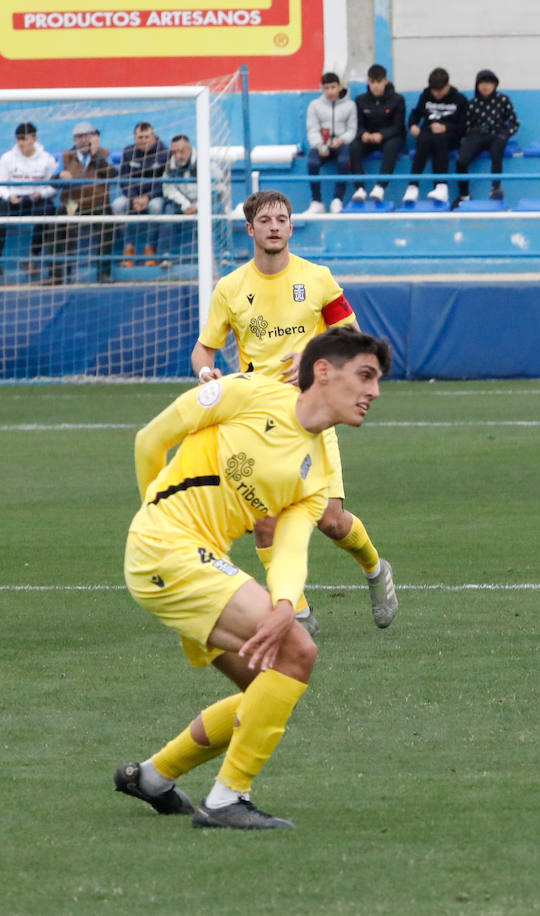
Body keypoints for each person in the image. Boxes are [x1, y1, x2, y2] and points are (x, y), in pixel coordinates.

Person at [116, 325, 392, 829]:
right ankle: (227, 799)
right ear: (324, 372)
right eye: (366, 376)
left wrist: (286, 603)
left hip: (196, 560)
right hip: (168, 548)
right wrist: (153, 516)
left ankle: (153, 776)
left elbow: (289, 549)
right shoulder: (250, 391)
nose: (374, 391)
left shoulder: (313, 475)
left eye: (378, 381)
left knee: (265, 687)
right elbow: (151, 438)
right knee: (299, 653)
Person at [190, 189, 399, 635]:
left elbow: (354, 336)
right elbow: (204, 350)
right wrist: (207, 373)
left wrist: (311, 347)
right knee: (265, 523)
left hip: (313, 415)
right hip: (255, 422)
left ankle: (375, 569)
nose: (275, 226)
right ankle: (300, 614)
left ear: (290, 226)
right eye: (265, 220)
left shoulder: (318, 278)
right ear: (250, 229)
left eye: (282, 219)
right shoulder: (230, 288)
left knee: (332, 521)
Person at [54, 122, 116, 284]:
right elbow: (52, 181)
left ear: (94, 138)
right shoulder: (66, 156)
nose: (83, 140)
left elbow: (112, 175)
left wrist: (96, 156)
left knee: (108, 223)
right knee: (57, 223)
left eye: (87, 136)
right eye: (79, 137)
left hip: (97, 203)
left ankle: (103, 272)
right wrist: (60, 176)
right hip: (73, 204)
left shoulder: (104, 154)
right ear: (74, 139)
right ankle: (57, 274)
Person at [0, 122, 59, 282]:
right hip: (13, 200)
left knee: (48, 212)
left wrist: (41, 193)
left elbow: (54, 186)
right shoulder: (7, 158)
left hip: (35, 199)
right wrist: (9, 196)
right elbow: (1, 185)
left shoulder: (47, 159)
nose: (20, 143)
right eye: (18, 139)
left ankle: (33, 257)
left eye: (24, 139)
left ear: (33, 138)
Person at [454, 69, 520, 204]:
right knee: (461, 161)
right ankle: (464, 195)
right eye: (482, 82)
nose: (485, 86)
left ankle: (495, 188)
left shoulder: (503, 100)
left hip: (497, 135)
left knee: (497, 152)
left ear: (495, 85)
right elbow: (465, 126)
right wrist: (470, 135)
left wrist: (505, 135)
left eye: (489, 83)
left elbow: (514, 122)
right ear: (477, 85)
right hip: (476, 136)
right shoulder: (472, 103)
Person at [404, 67, 467, 205]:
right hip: (428, 134)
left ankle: (441, 185)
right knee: (424, 138)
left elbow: (464, 127)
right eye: (434, 90)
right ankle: (413, 186)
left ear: (447, 86)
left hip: (450, 137)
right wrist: (413, 125)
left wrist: (446, 127)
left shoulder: (460, 99)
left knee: (440, 138)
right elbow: (416, 113)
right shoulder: (426, 95)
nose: (436, 94)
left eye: (440, 90)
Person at [349, 64, 408, 203]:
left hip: (391, 138)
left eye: (379, 82)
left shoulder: (397, 99)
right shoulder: (360, 100)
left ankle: (380, 187)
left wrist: (381, 135)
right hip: (369, 139)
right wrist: (363, 134)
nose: (375, 86)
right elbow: (357, 124)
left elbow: (398, 127)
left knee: (391, 146)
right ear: (368, 82)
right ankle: (360, 189)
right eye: (372, 82)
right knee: (355, 147)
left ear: (385, 81)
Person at [112, 121, 169, 265]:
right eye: (140, 137)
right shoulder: (128, 152)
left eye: (146, 137)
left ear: (153, 137)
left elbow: (165, 182)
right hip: (134, 197)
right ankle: (128, 248)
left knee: (156, 207)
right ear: (135, 138)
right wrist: (133, 198)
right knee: (117, 205)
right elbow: (124, 179)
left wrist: (148, 197)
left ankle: (150, 248)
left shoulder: (164, 153)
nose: (143, 140)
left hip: (155, 196)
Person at [305, 72, 356, 214]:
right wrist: (321, 145)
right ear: (322, 89)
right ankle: (317, 202)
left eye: (333, 87)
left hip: (341, 144)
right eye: (326, 88)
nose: (330, 91)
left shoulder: (350, 105)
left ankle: (337, 200)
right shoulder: (314, 105)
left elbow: (352, 130)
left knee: (344, 161)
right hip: (322, 145)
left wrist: (341, 140)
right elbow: (312, 130)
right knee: (312, 163)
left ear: (339, 87)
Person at [156, 134, 199, 269]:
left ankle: (223, 253)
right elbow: (168, 189)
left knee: (218, 209)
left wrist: (196, 206)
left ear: (190, 150)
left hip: (203, 203)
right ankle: (165, 256)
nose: (178, 155)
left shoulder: (205, 163)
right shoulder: (170, 166)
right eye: (174, 152)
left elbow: (217, 187)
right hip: (183, 204)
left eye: (182, 151)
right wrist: (186, 205)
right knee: (168, 211)